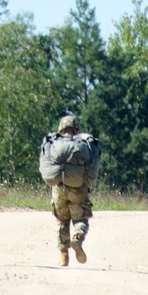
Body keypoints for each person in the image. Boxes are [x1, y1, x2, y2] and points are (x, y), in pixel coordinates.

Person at [38, 114, 101, 267]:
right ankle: (78, 238)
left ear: (61, 129)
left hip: (59, 188)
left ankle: (63, 256)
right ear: (76, 129)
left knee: (62, 221)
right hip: (79, 189)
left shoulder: (54, 143)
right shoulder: (84, 144)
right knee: (80, 220)